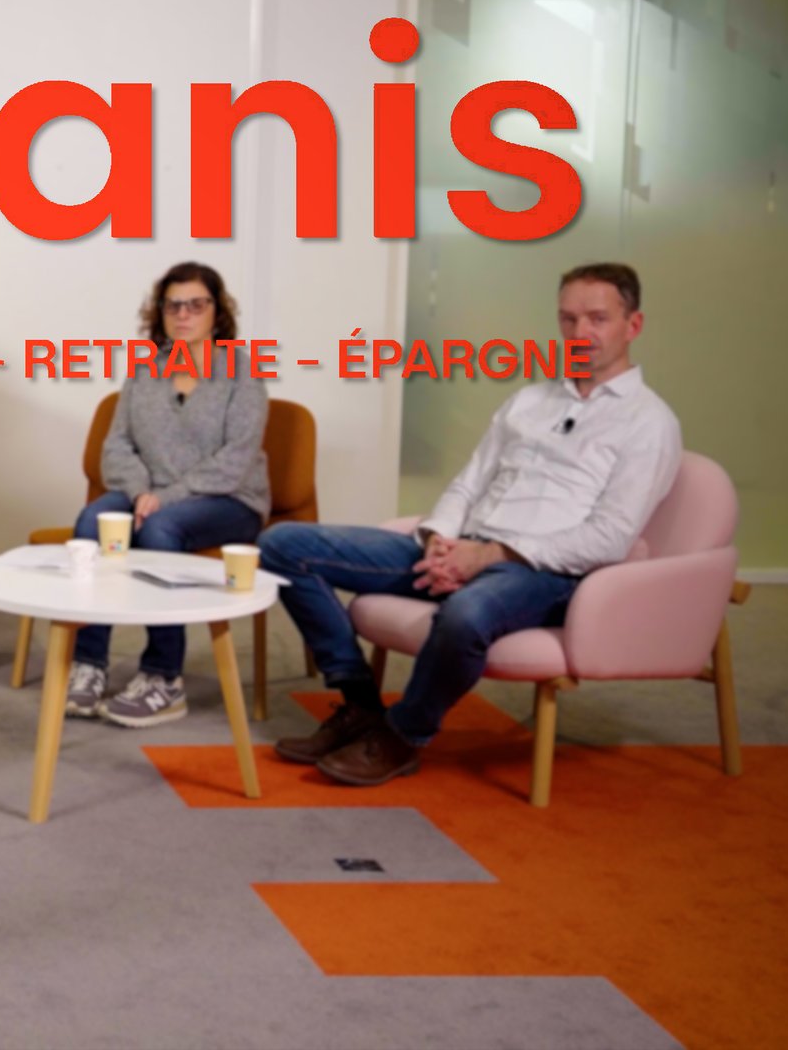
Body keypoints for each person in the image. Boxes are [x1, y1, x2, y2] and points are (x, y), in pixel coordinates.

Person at [262, 263, 682, 787]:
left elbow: (609, 538)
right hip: (464, 547)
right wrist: (440, 542)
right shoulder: (530, 401)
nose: (580, 334)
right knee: (282, 545)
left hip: (540, 573)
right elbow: (469, 482)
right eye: (568, 319)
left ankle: (403, 736)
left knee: (465, 614)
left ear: (633, 325)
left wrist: (485, 557)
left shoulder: (649, 422)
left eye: (597, 319)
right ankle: (361, 704)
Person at [63, 263, 270, 728]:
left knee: (161, 529)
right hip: (149, 496)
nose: (183, 314)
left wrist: (166, 497)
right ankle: (89, 664)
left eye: (196, 304)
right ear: (160, 313)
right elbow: (116, 446)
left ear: (216, 313)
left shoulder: (242, 372)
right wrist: (140, 492)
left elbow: (236, 460)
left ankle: (163, 677)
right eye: (173, 305)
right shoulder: (145, 370)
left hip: (230, 500)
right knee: (92, 521)